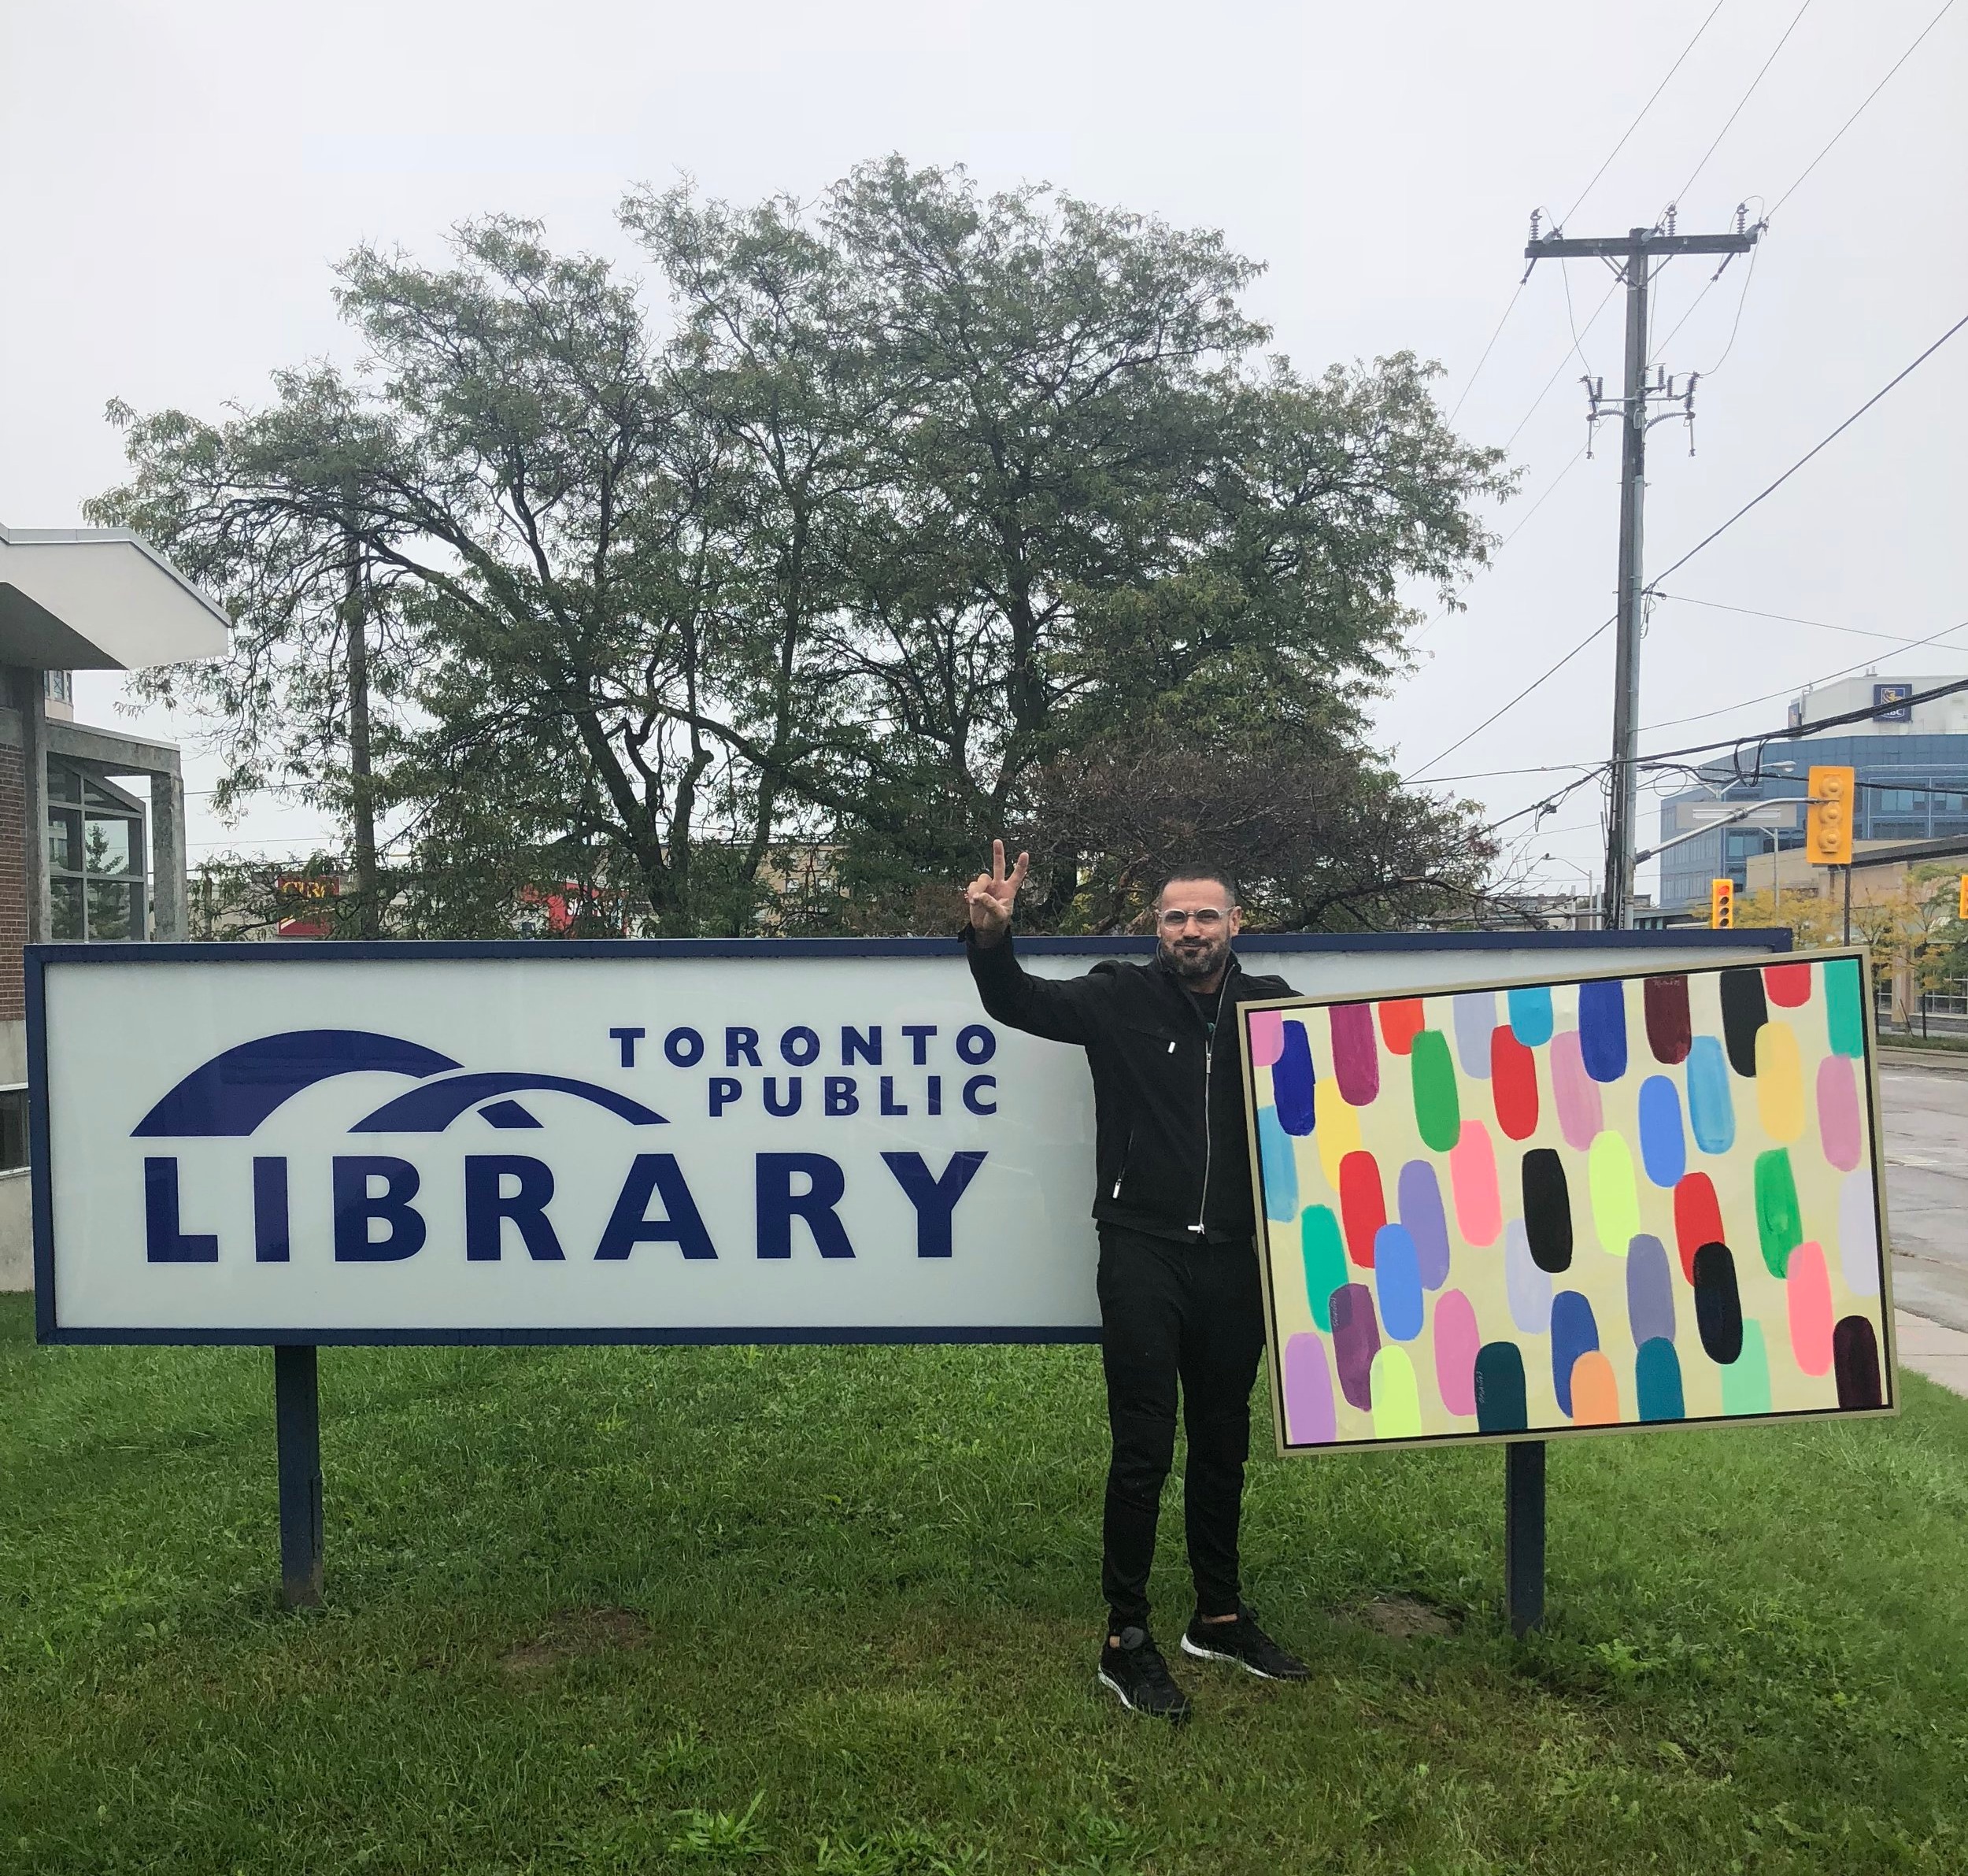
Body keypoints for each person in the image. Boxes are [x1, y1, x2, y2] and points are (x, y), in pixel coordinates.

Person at [963, 842, 1311, 1722]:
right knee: (1144, 1448)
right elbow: (1018, 1002)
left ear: (1237, 924)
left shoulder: (1274, 1012)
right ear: (1154, 929)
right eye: (1173, 917)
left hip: (1236, 1256)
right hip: (1141, 1250)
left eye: (1206, 915)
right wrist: (993, 937)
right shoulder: (1118, 995)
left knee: (1224, 1440)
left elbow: (1363, 1076)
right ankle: (1126, 1637)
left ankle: (1219, 1615)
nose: (1190, 930)